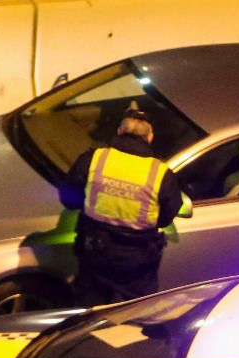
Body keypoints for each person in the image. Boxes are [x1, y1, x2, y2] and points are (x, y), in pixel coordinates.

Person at [60, 107, 187, 307]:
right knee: (140, 312)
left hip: (94, 250)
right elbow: (167, 216)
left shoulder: (95, 158)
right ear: (150, 138)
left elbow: (68, 196)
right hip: (137, 259)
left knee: (89, 311)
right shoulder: (160, 173)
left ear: (119, 131)